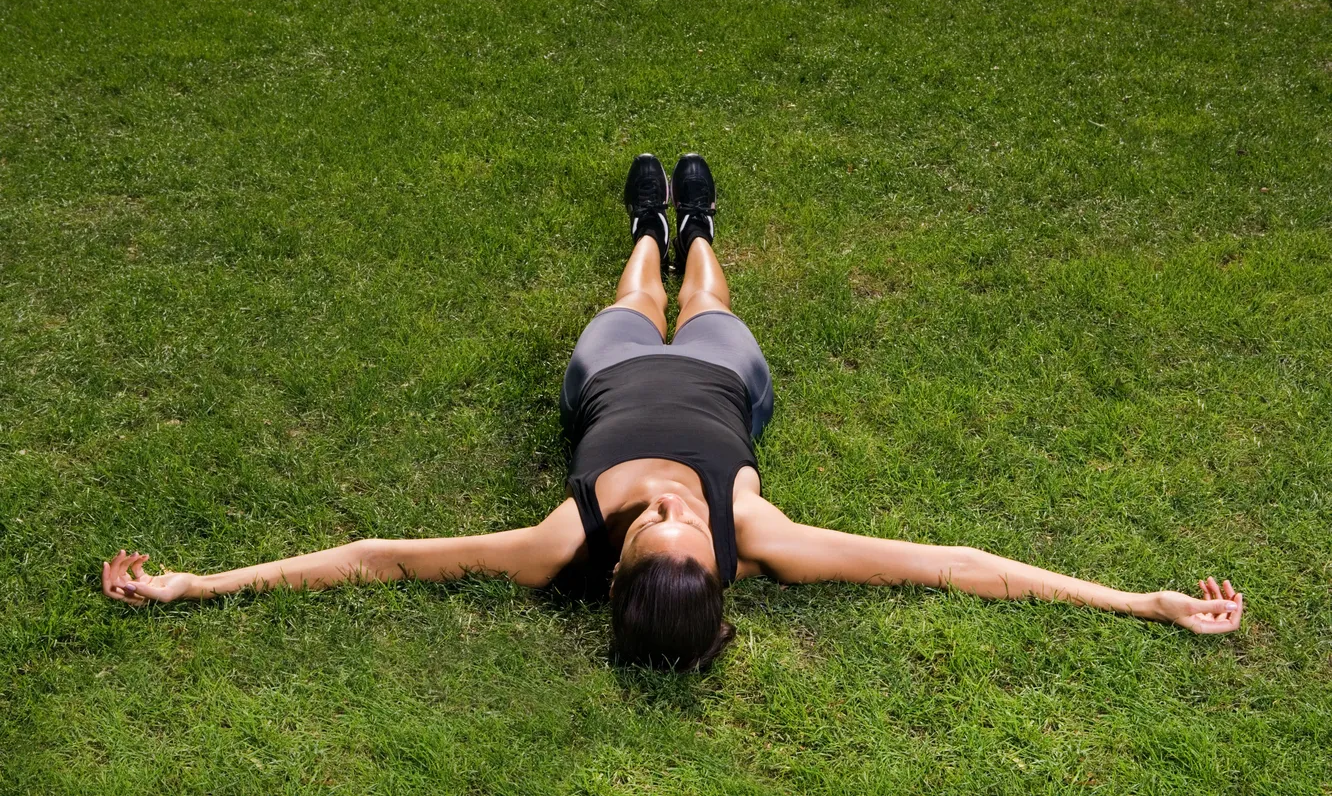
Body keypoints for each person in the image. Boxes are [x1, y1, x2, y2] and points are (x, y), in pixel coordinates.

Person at [101, 153, 1245, 670]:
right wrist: (1140, 602)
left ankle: (649, 231)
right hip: (720, 377)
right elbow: (955, 562)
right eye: (682, 527)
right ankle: (697, 234)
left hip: (605, 378)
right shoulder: (768, 540)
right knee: (708, 306)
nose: (667, 506)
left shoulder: (565, 543)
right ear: (720, 564)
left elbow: (380, 556)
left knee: (628, 303)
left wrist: (197, 583)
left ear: (619, 563)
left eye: (656, 526)